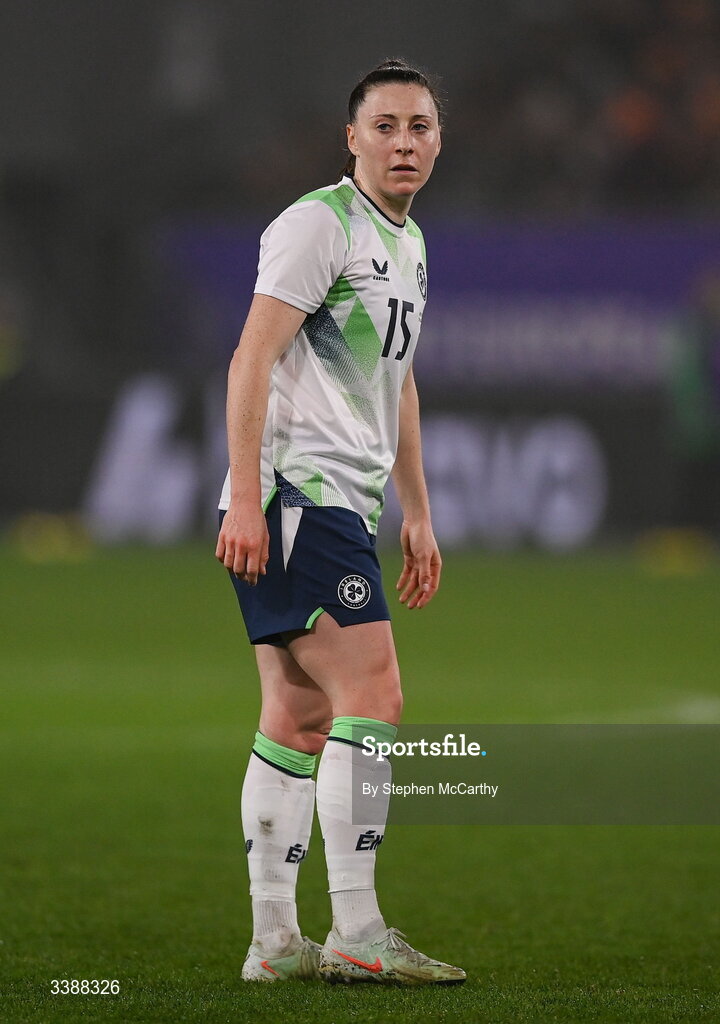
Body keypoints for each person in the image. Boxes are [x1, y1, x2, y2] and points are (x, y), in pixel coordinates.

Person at [215, 59, 465, 985]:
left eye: (421, 127)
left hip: (337, 503)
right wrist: (247, 496)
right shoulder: (319, 225)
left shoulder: (409, 244)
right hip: (297, 496)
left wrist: (420, 511)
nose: (405, 142)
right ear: (352, 138)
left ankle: (276, 942)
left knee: (298, 713)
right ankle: (357, 927)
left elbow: (395, 383)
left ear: (439, 140)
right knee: (377, 696)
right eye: (387, 126)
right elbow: (250, 358)